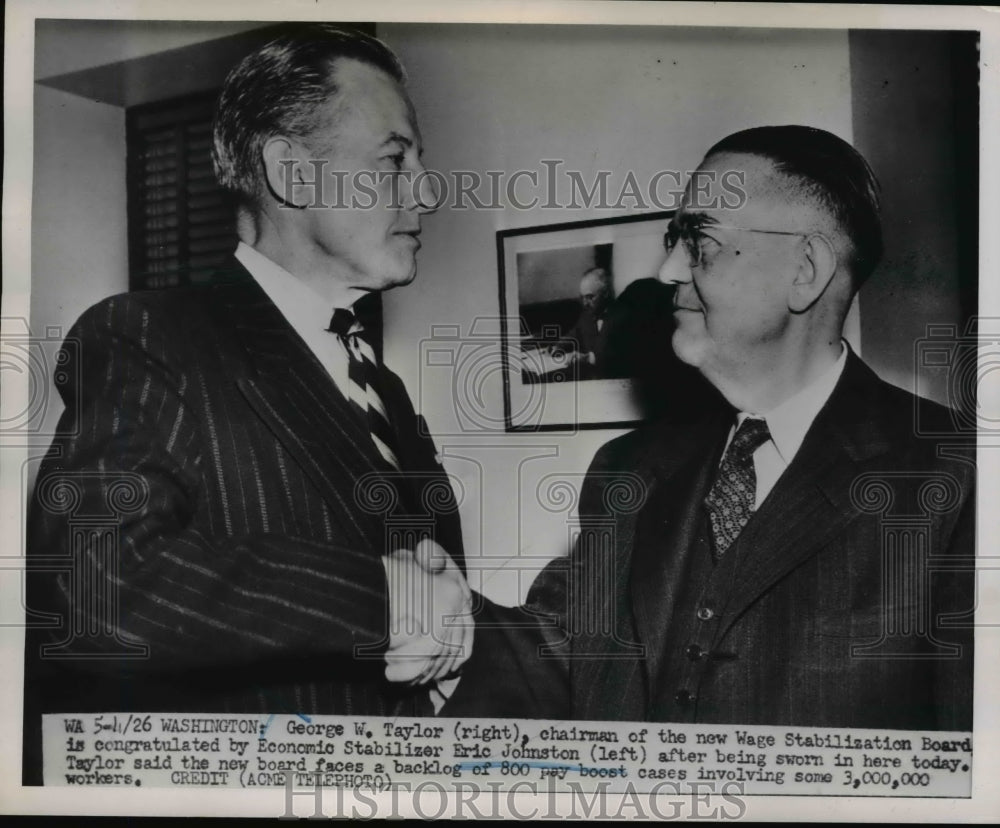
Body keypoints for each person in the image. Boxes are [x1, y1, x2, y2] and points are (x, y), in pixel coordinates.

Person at [23, 25, 470, 782]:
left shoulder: (381, 388)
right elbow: (94, 581)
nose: (426, 189)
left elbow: (425, 614)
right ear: (290, 174)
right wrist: (380, 597)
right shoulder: (149, 336)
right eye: (395, 161)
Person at [446, 125, 974, 730]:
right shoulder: (626, 468)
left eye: (699, 241)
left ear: (806, 269)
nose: (668, 269)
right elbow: (558, 658)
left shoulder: (959, 474)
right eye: (676, 239)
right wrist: (450, 622)